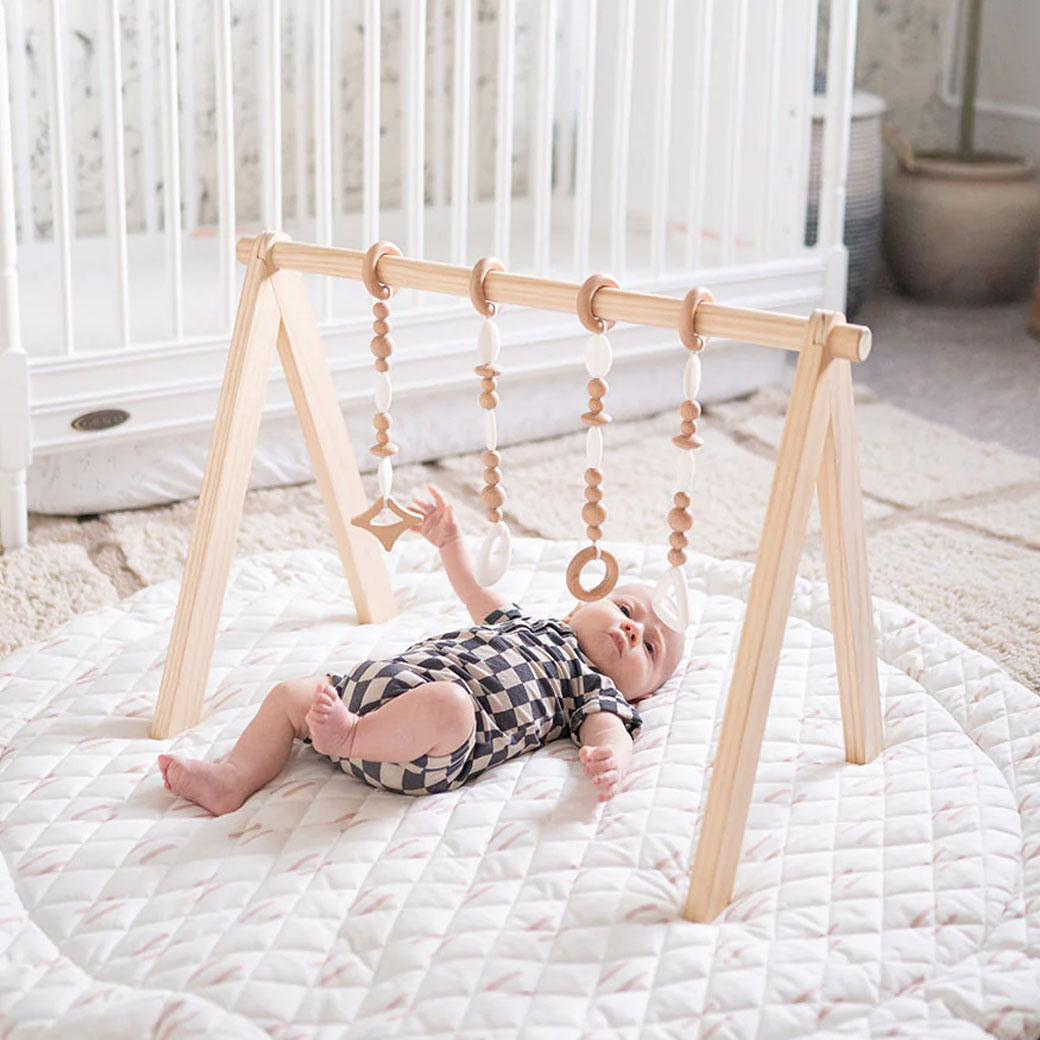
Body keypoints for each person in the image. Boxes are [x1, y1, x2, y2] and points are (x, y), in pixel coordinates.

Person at [158, 485, 685, 814]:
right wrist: (450, 543)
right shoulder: (527, 623)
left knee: (450, 704)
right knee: (290, 693)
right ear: (576, 607)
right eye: (626, 609)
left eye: (652, 648)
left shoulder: (592, 689)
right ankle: (232, 778)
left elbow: (609, 733)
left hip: (429, 748)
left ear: (642, 693)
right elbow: (475, 592)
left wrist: (611, 758)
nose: (634, 631)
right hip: (365, 693)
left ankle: (349, 738)